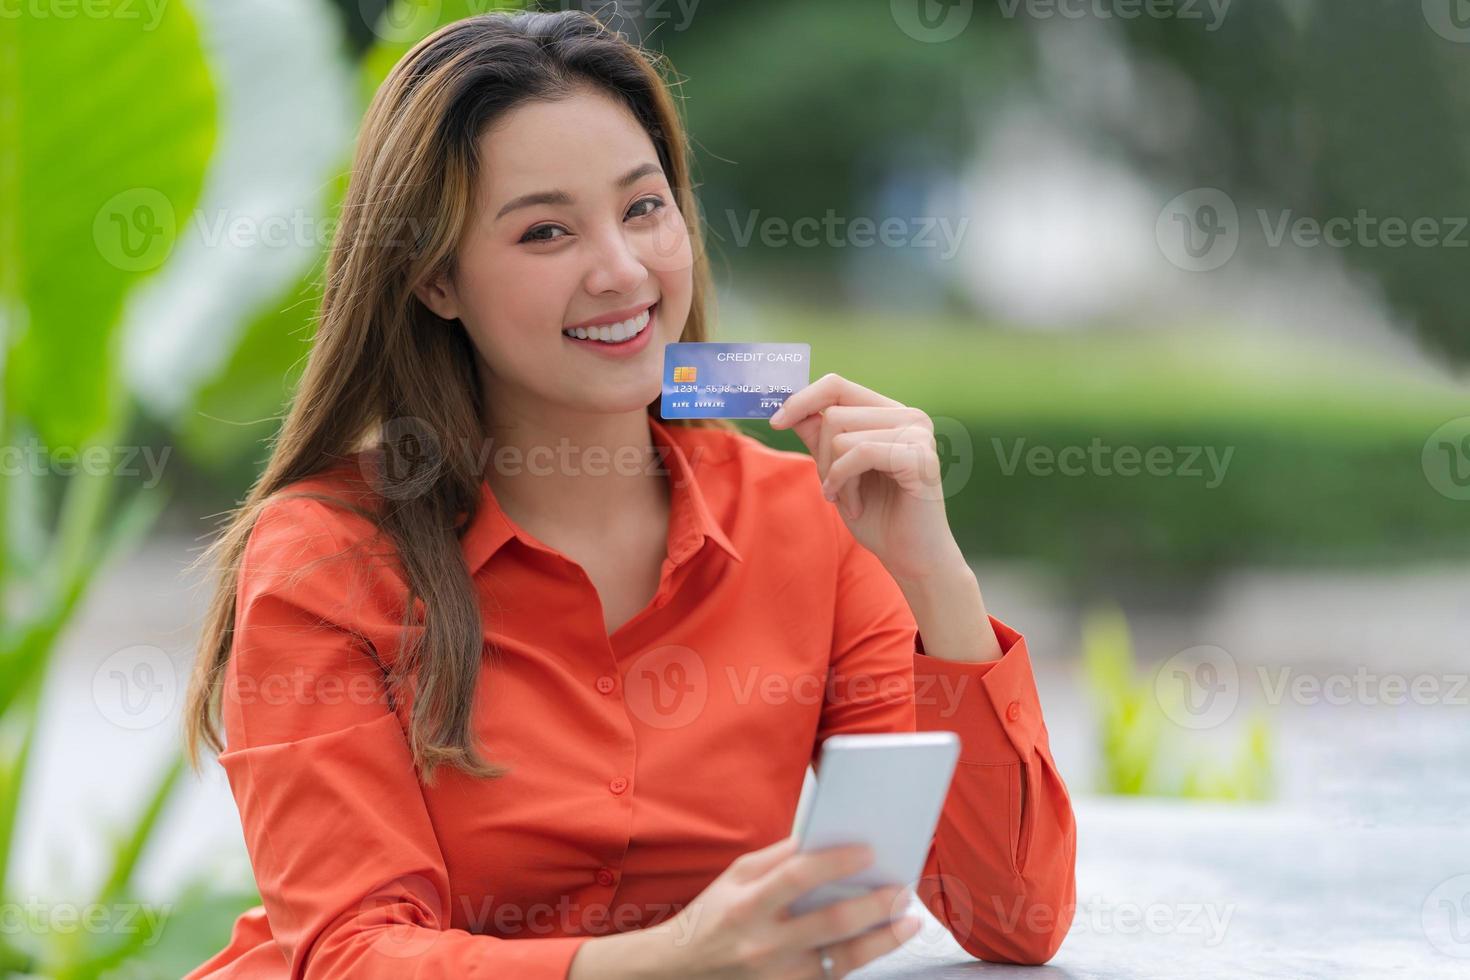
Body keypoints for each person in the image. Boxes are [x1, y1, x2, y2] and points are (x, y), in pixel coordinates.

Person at [180, 10, 1076, 978]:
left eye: (645, 208)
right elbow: (353, 955)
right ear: (436, 278)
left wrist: (933, 576)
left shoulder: (811, 519)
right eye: (546, 230)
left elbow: (1016, 916)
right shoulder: (326, 557)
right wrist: (673, 955)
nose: (622, 271)